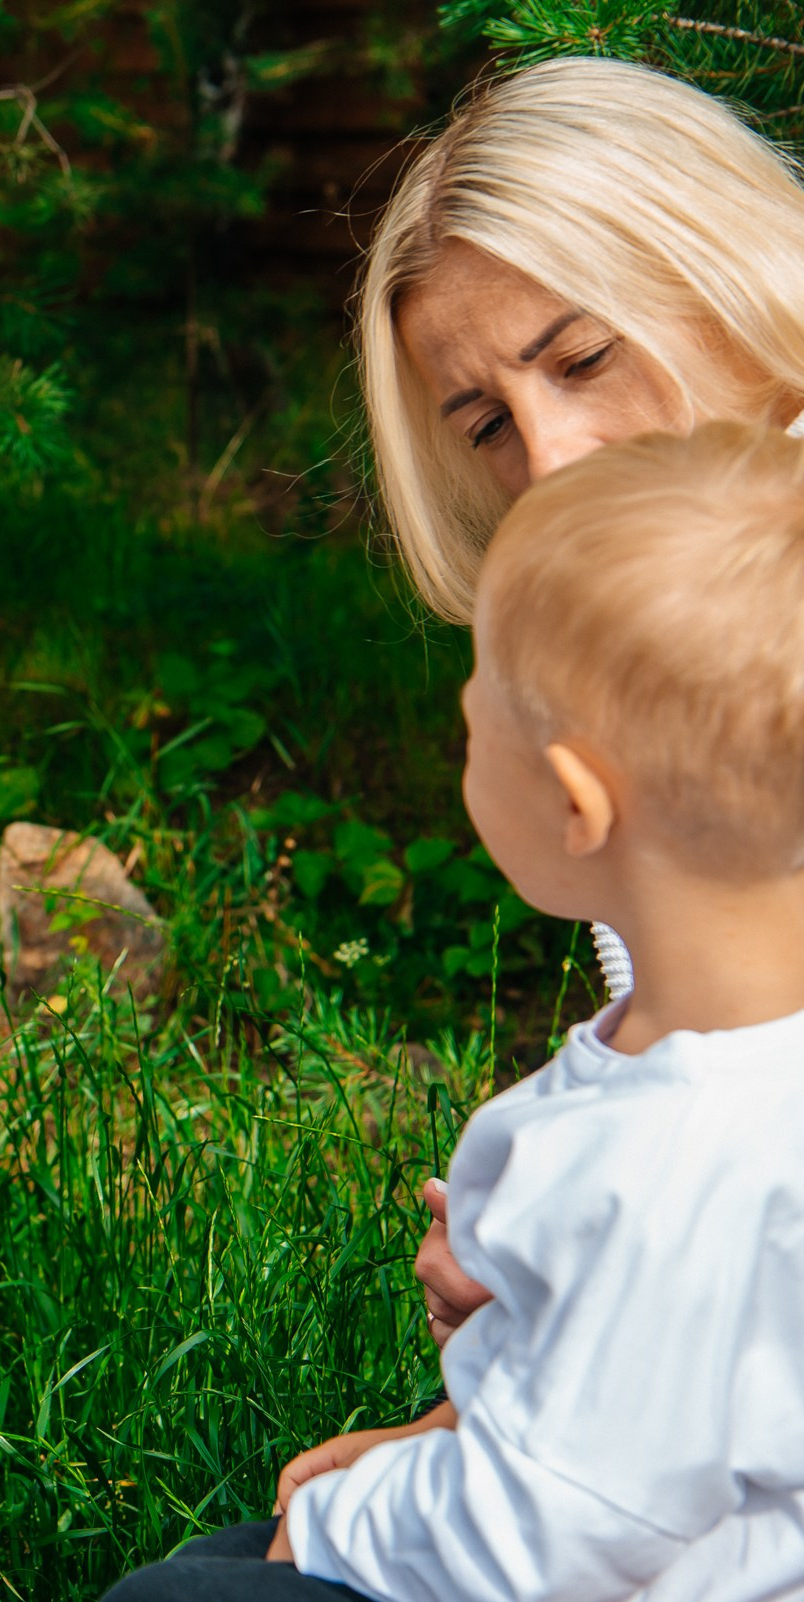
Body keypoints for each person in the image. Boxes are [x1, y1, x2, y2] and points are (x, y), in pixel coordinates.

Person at [108, 421, 804, 1600]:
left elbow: (562, 1526)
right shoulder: (715, 1078)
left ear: (577, 804)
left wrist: (339, 1518)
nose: (460, 723)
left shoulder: (681, 1151)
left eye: (478, 701)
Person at [352, 55, 804, 1350]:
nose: (547, 459)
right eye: (487, 420)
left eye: (585, 357)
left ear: (724, 265)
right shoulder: (646, 634)